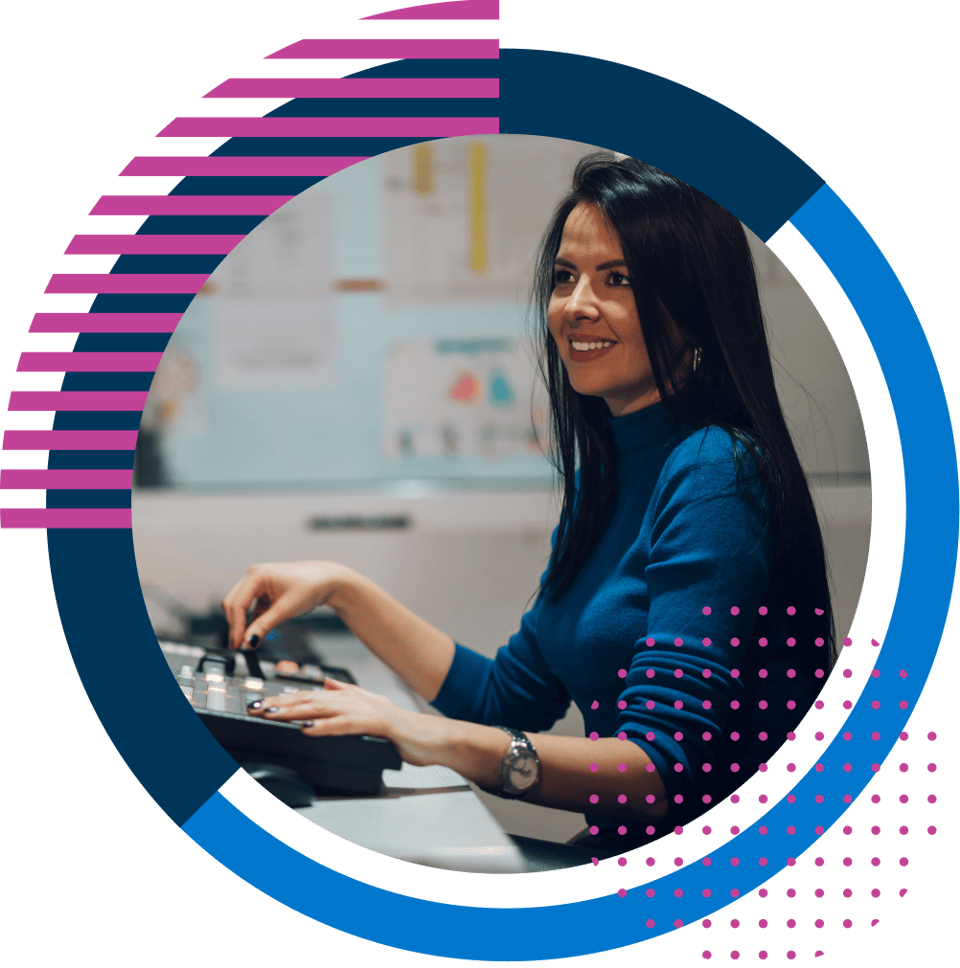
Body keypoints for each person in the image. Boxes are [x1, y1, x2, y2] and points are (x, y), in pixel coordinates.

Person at [222, 153, 835, 854]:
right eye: (565, 277)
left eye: (620, 279)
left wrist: (427, 735)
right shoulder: (609, 473)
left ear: (693, 309)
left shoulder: (716, 470)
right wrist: (342, 588)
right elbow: (506, 701)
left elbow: (660, 772)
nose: (575, 305)